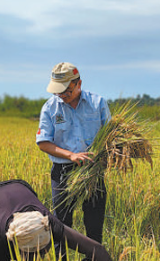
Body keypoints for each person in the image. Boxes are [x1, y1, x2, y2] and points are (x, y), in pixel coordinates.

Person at [0, 180, 117, 261]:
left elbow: (97, 250)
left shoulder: (48, 223)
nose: (38, 258)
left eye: (42, 251)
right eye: (32, 253)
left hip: (21, 187)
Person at [36, 62, 111, 251]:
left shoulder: (97, 103)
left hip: (93, 171)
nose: (62, 96)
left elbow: (111, 135)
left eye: (66, 91)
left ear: (78, 84)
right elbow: (43, 142)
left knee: (94, 224)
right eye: (58, 92)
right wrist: (71, 155)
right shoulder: (50, 108)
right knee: (61, 225)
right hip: (62, 172)